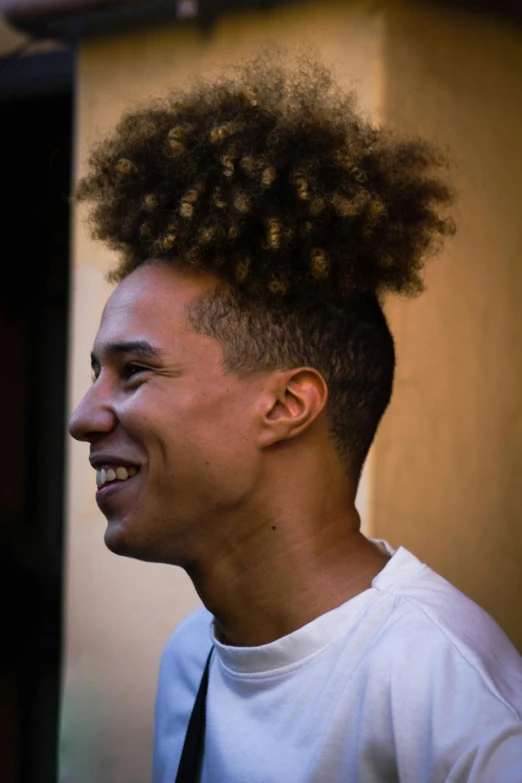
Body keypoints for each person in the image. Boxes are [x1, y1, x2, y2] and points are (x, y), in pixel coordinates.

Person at [69, 54, 522, 782]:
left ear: (286, 405)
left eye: (136, 371)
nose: (86, 416)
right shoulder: (193, 660)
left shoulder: (450, 698)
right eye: (97, 373)